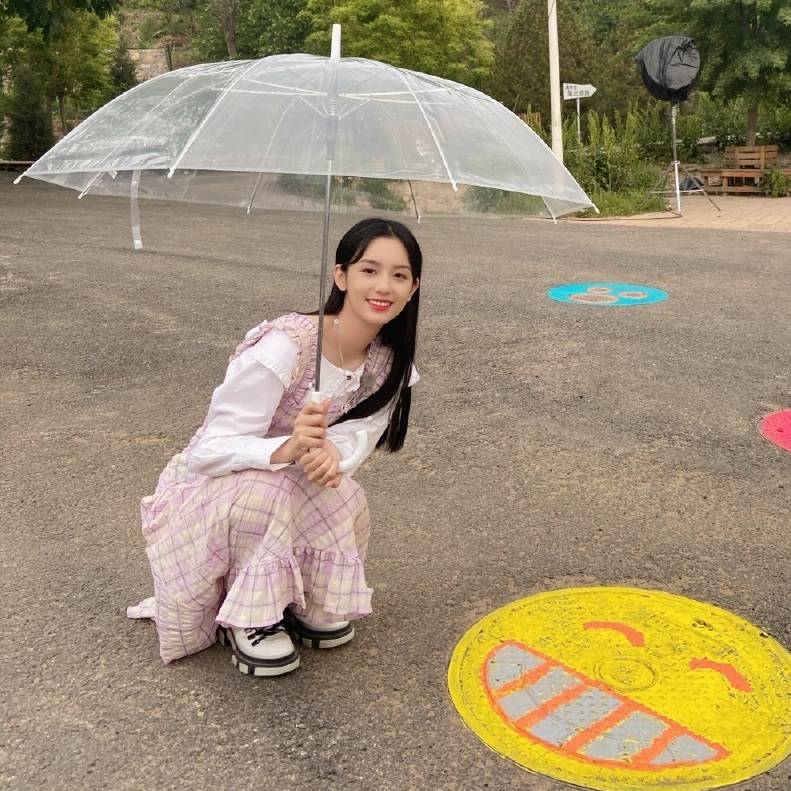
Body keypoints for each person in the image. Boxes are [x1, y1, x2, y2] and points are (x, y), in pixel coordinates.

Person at [127, 217, 421, 677]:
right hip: (209, 493)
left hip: (283, 484)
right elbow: (210, 450)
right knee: (270, 491)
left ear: (413, 287)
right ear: (341, 276)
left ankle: (299, 600)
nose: (384, 286)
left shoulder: (388, 363)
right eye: (369, 270)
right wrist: (287, 448)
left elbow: (359, 433)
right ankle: (250, 617)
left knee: (343, 494)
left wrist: (330, 454)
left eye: (399, 275)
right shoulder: (288, 345)